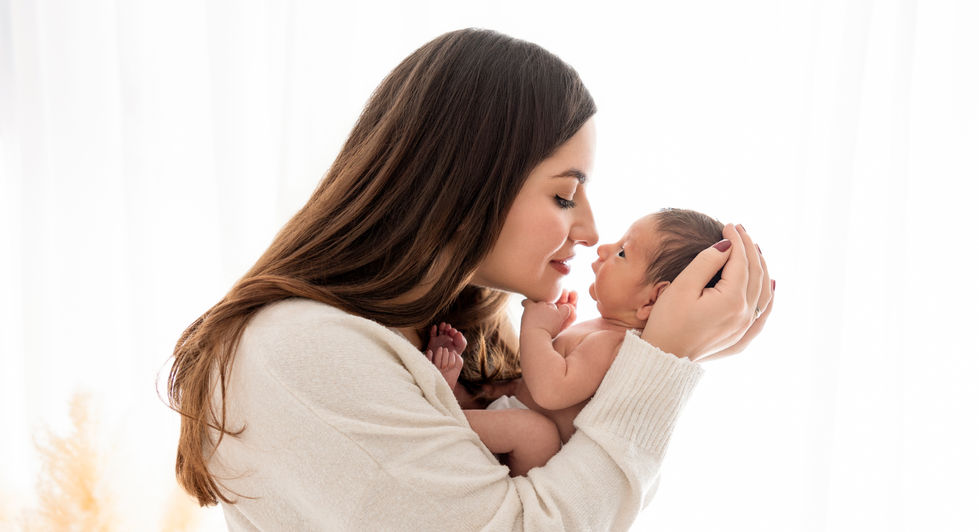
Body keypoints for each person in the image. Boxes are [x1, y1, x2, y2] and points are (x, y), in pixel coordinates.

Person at [166, 28, 774, 530]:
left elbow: (574, 493)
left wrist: (655, 355)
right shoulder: (304, 351)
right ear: (466, 182)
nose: (590, 231)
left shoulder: (453, 333)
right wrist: (661, 366)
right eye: (565, 195)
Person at [425, 208, 759, 476]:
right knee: (502, 388)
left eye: (623, 252)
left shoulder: (613, 345)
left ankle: (441, 418)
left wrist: (536, 331)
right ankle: (455, 396)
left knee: (535, 430)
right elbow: (551, 374)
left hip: (531, 456)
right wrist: (558, 334)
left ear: (652, 300)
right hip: (510, 412)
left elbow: (552, 391)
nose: (604, 248)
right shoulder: (602, 329)